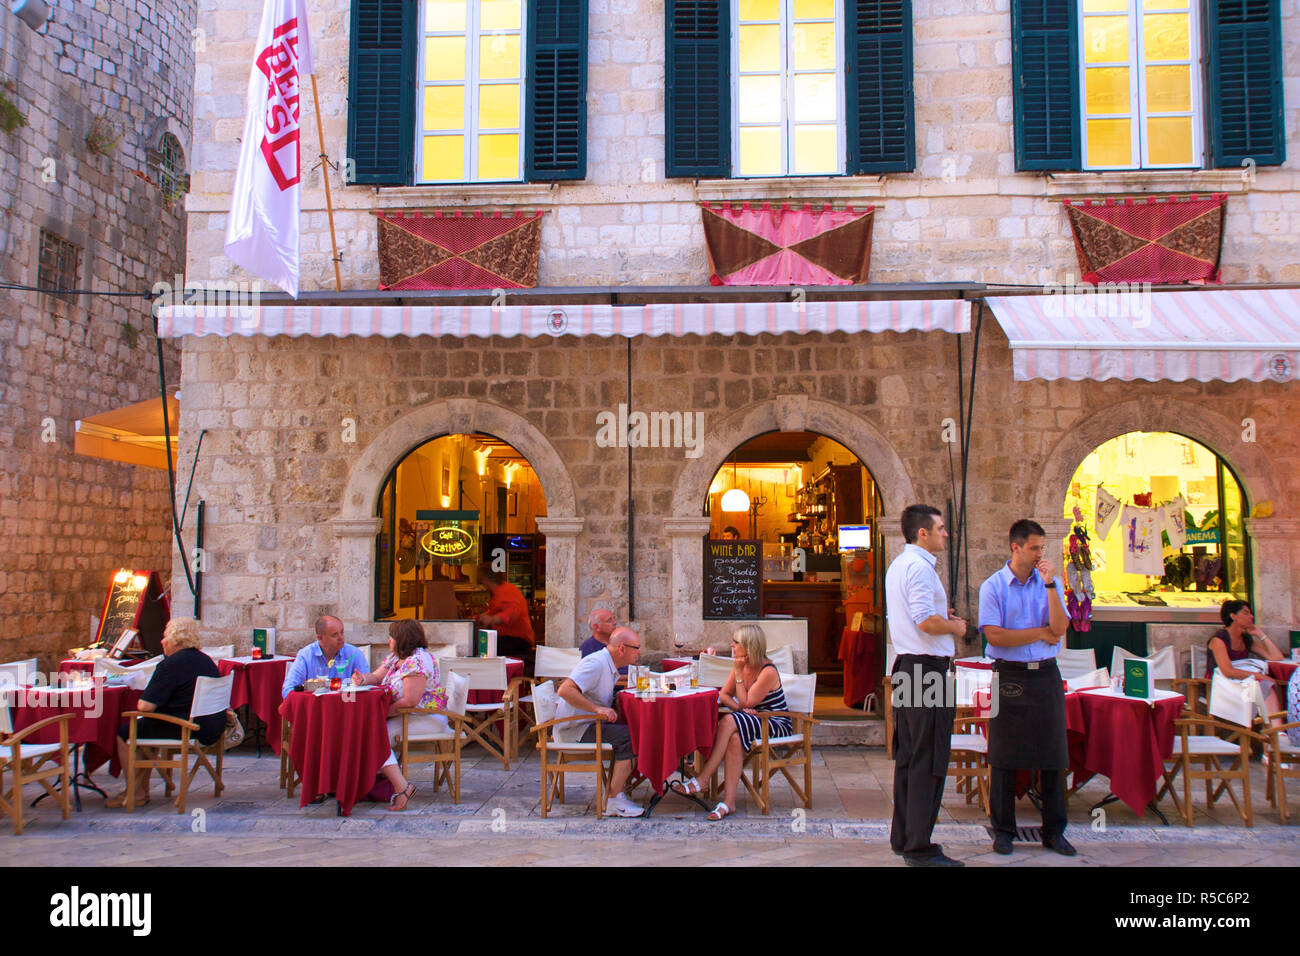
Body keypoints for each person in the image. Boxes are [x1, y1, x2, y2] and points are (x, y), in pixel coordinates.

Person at [978, 518, 1074, 857]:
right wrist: (1038, 632)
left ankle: (1054, 831)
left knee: (1053, 754)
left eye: (1042, 548)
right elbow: (995, 635)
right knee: (1004, 755)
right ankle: (1003, 830)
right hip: (1009, 675)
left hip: (1046, 673)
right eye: (1034, 548)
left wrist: (1050, 587)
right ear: (1015, 547)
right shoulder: (993, 587)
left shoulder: (1049, 583)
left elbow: (1059, 628)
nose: (1039, 554)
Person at [883, 504, 966, 866]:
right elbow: (925, 622)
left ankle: (904, 837)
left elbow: (920, 615)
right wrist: (956, 627)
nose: (946, 534)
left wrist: (940, 618)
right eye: (941, 528)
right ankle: (919, 847)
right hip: (927, 671)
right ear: (923, 533)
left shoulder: (900, 565)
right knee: (928, 758)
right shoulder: (919, 567)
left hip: (908, 667)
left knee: (910, 756)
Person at [675, 624, 790, 821]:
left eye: (736, 642)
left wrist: (738, 679)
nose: (732, 645)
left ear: (749, 646)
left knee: (728, 721)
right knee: (734, 739)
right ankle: (729, 803)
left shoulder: (767, 671)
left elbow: (746, 701)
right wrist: (741, 709)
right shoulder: (741, 665)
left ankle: (702, 779)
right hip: (751, 720)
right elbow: (724, 695)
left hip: (773, 722)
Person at [107, 617, 223, 809]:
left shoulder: (171, 664)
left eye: (165, 636)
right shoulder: (205, 660)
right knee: (145, 729)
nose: (162, 642)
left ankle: (135, 792)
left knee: (126, 733)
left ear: (175, 639)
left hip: (187, 728)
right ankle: (140, 790)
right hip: (211, 726)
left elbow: (145, 707)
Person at [351, 619, 448, 811]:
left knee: (374, 738)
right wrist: (362, 679)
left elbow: (410, 701)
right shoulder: (396, 657)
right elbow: (377, 677)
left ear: (402, 639)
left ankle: (402, 788)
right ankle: (372, 784)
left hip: (425, 717)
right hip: (405, 715)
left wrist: (381, 714)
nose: (389, 640)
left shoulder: (416, 662)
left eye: (392, 636)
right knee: (366, 733)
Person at [554, 626, 644, 817]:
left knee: (632, 731)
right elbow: (565, 690)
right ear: (622, 649)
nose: (639, 652)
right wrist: (597, 709)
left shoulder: (608, 664)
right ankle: (612, 800)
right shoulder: (596, 663)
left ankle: (617, 793)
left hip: (588, 724)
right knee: (630, 737)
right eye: (637, 647)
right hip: (576, 729)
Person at [1207, 599, 1286, 730]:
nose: (1251, 616)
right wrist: (1258, 676)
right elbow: (1227, 671)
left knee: (1264, 686)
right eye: (1246, 613)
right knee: (1264, 685)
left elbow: (1276, 657)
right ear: (1233, 616)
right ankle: (1276, 733)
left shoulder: (1246, 639)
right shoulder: (1219, 640)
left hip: (1245, 683)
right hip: (1224, 685)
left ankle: (1274, 734)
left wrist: (1260, 634)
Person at [280, 616, 369, 699]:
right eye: (334, 635)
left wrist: (360, 681)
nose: (341, 638)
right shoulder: (306, 655)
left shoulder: (354, 654)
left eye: (342, 632)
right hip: (315, 708)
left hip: (346, 707)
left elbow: (367, 687)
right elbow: (288, 690)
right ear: (320, 638)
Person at [476, 564, 535, 673]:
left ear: (485, 579)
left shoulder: (506, 591)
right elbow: (498, 610)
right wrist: (483, 616)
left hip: (518, 639)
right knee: (484, 645)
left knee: (484, 648)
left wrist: (492, 619)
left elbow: (512, 612)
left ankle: (491, 679)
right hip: (511, 638)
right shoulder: (502, 591)